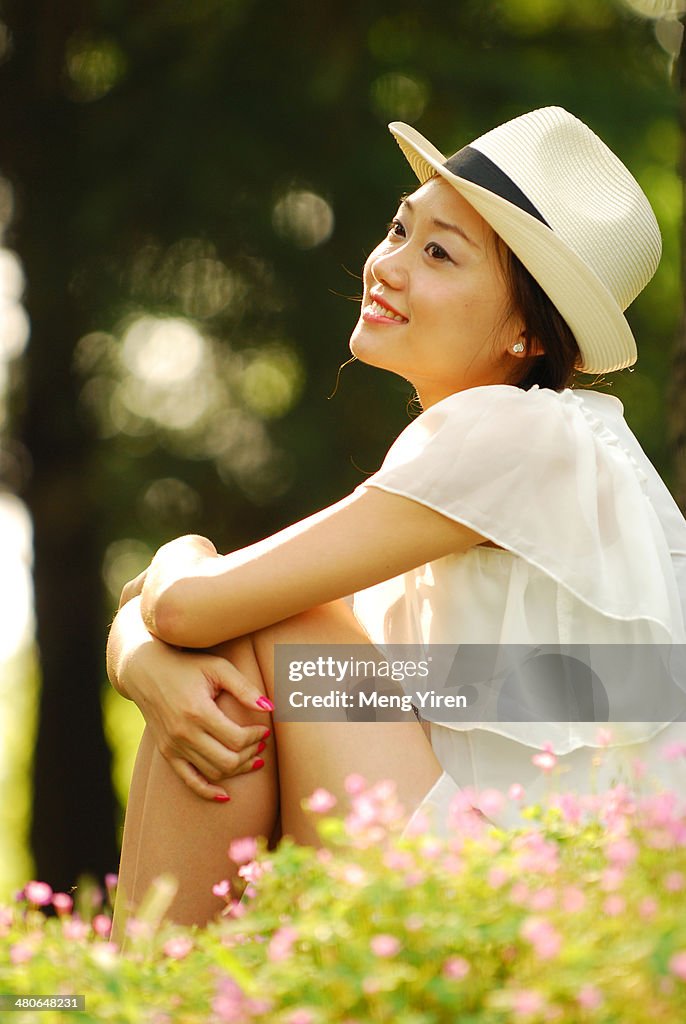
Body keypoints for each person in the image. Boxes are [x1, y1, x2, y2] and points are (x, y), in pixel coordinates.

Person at [107, 106, 686, 931]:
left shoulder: (519, 431)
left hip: (516, 903)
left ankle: (145, 993)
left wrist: (181, 553)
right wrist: (140, 652)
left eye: (440, 253)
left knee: (268, 636)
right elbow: (200, 623)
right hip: (533, 895)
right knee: (261, 645)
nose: (389, 265)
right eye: (400, 229)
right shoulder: (531, 454)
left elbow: (193, 609)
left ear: (527, 328)